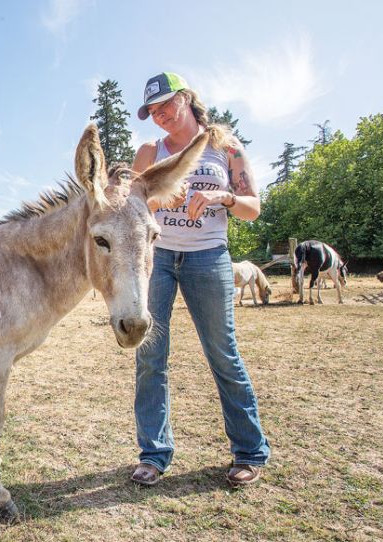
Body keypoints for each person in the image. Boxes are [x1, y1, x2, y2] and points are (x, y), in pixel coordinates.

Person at [130, 72, 270, 488]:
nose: (160, 116)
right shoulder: (149, 151)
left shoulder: (224, 148)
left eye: (166, 106)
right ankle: (153, 454)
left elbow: (252, 208)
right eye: (153, 112)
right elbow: (131, 206)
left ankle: (248, 451)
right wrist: (156, 196)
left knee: (222, 353)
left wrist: (222, 196)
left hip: (209, 258)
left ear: (187, 99)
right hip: (158, 260)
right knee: (150, 358)